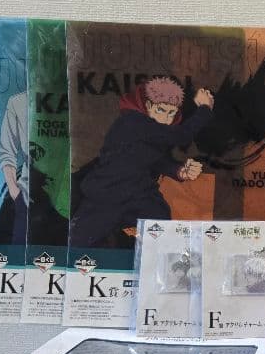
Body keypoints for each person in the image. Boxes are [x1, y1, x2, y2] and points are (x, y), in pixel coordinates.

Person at [70, 76, 214, 248]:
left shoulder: (152, 132)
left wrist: (179, 171)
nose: (165, 119)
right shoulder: (133, 121)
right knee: (79, 244)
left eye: (171, 113)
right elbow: (181, 136)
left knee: (160, 223)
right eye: (161, 110)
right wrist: (205, 108)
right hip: (108, 194)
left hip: (139, 194)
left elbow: (153, 160)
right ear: (148, 106)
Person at [0, 90, 29, 245]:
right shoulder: (18, 102)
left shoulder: (75, 98)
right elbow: (7, 151)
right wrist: (15, 191)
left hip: (69, 204)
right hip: (27, 202)